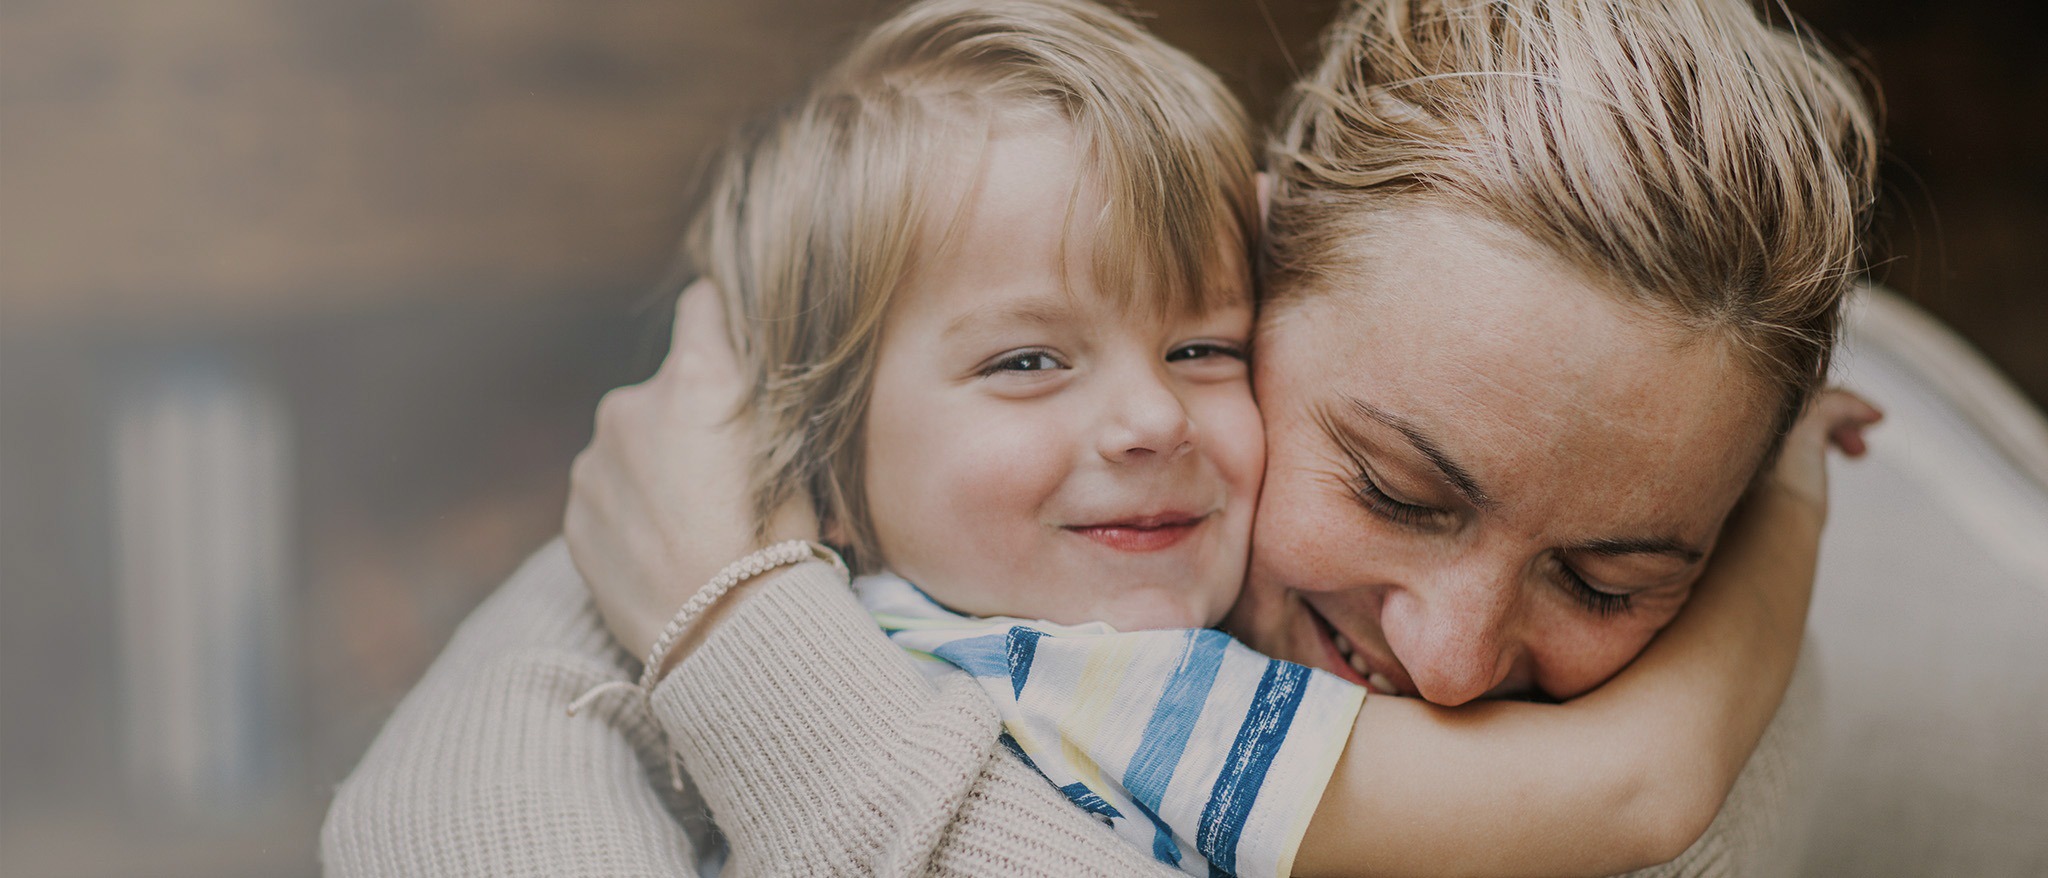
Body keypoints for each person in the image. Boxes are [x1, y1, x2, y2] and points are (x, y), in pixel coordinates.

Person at [322, 0, 1880, 875]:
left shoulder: (1740, 683)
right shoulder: (1046, 590)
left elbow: (1649, 794)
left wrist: (740, 639)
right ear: (1255, 264)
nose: (1459, 664)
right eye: (1397, 489)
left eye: (1608, 582)